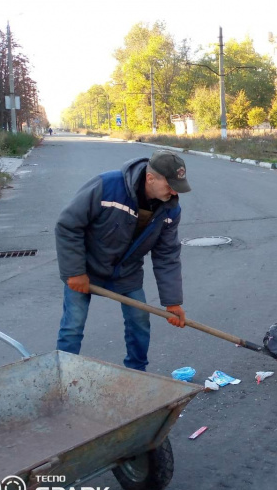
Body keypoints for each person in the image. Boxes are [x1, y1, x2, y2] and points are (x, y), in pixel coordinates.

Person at [55, 150, 191, 370]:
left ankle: (136, 373)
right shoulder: (107, 186)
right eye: (170, 185)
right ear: (150, 178)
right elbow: (68, 225)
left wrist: (172, 302)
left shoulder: (170, 209)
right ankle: (61, 374)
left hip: (127, 273)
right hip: (85, 271)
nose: (175, 192)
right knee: (73, 325)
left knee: (140, 322)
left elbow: (167, 256)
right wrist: (74, 272)